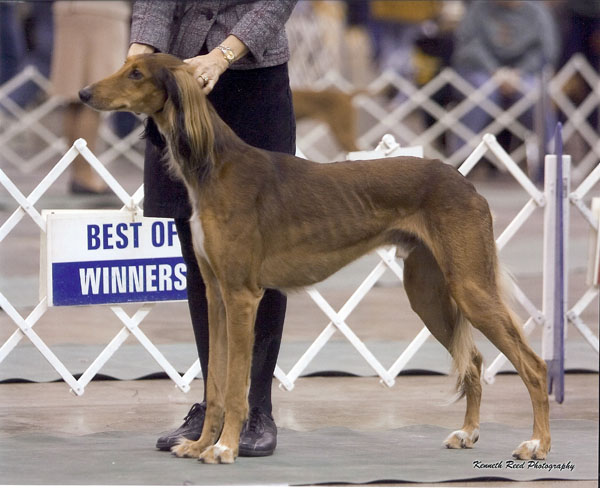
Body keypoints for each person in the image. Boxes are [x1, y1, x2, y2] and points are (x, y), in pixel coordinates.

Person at [128, 0, 297, 457]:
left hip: (251, 80)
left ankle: (255, 407)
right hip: (175, 82)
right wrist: (140, 49)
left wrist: (224, 53)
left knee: (259, 262)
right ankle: (214, 405)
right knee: (199, 259)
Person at [450, 0, 560, 156]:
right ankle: (461, 158)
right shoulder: (478, 8)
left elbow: (546, 51)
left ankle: (549, 157)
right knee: (481, 93)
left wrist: (518, 72)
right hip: (482, 70)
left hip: (524, 73)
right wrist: (494, 70)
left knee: (535, 96)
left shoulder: (538, 11)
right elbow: (469, 45)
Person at [50, 1, 131, 194]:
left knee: (72, 96)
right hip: (103, 11)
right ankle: (86, 176)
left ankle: (78, 174)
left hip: (68, 10)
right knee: (96, 94)